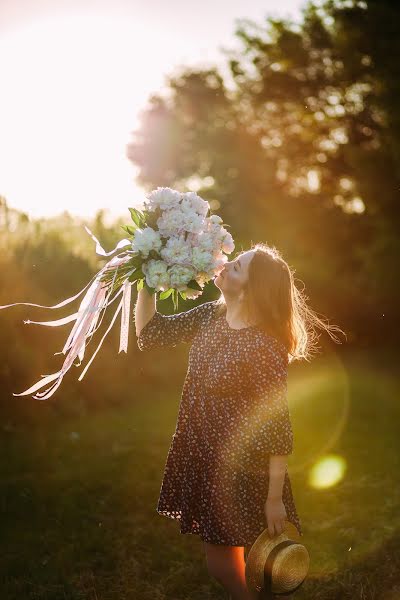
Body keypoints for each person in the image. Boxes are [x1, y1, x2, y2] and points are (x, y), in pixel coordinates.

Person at [134, 242, 344, 600]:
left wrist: (274, 499)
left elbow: (276, 427)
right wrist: (147, 282)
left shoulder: (263, 345)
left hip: (243, 467)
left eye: (237, 267)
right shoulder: (209, 317)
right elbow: (149, 333)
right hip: (204, 454)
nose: (225, 265)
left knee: (230, 563)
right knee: (230, 561)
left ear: (251, 290)